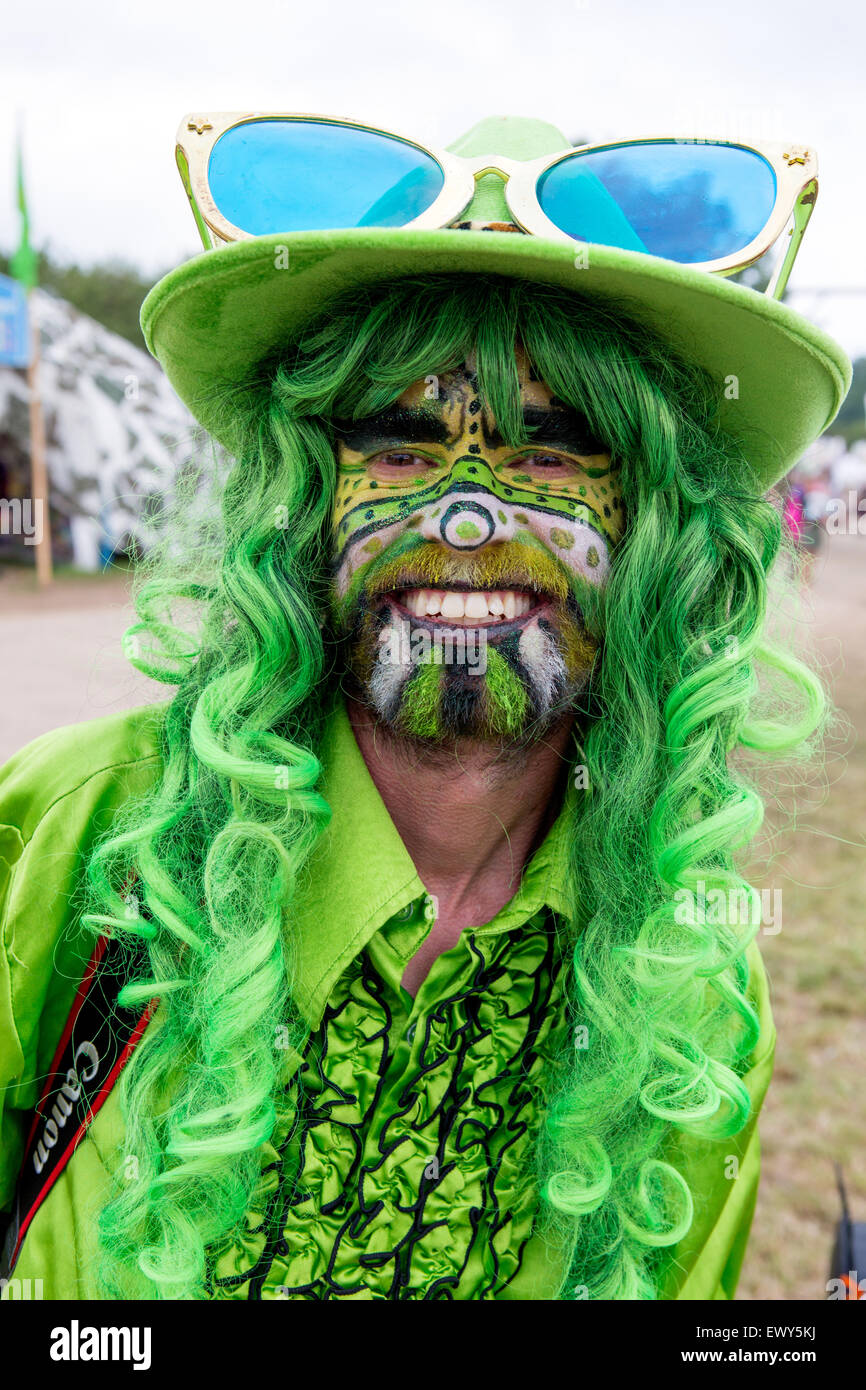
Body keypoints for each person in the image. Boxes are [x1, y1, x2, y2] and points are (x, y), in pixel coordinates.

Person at [0, 115, 851, 1301]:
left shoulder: (687, 990)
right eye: (400, 446)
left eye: (550, 450)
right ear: (301, 502)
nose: (467, 515)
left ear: (651, 530)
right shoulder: (77, 836)